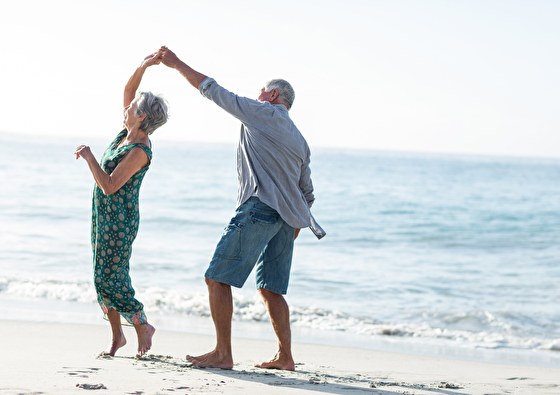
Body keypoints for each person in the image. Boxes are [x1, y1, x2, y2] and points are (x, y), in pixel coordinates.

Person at [158, 46, 315, 371]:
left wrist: (175, 64)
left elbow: (214, 91)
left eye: (261, 91)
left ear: (272, 95)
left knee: (216, 278)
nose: (256, 95)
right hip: (288, 220)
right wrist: (295, 224)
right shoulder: (299, 138)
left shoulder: (264, 113)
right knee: (271, 289)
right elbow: (307, 191)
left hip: (260, 209)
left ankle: (222, 353)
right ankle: (285, 357)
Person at [74, 52, 169, 357]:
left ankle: (141, 324)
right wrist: (144, 66)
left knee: (109, 277)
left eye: (132, 108)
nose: (126, 107)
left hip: (120, 219)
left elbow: (110, 185)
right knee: (100, 275)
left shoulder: (140, 149)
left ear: (142, 116)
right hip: (102, 215)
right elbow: (128, 93)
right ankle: (118, 338)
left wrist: (89, 158)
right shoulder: (125, 135)